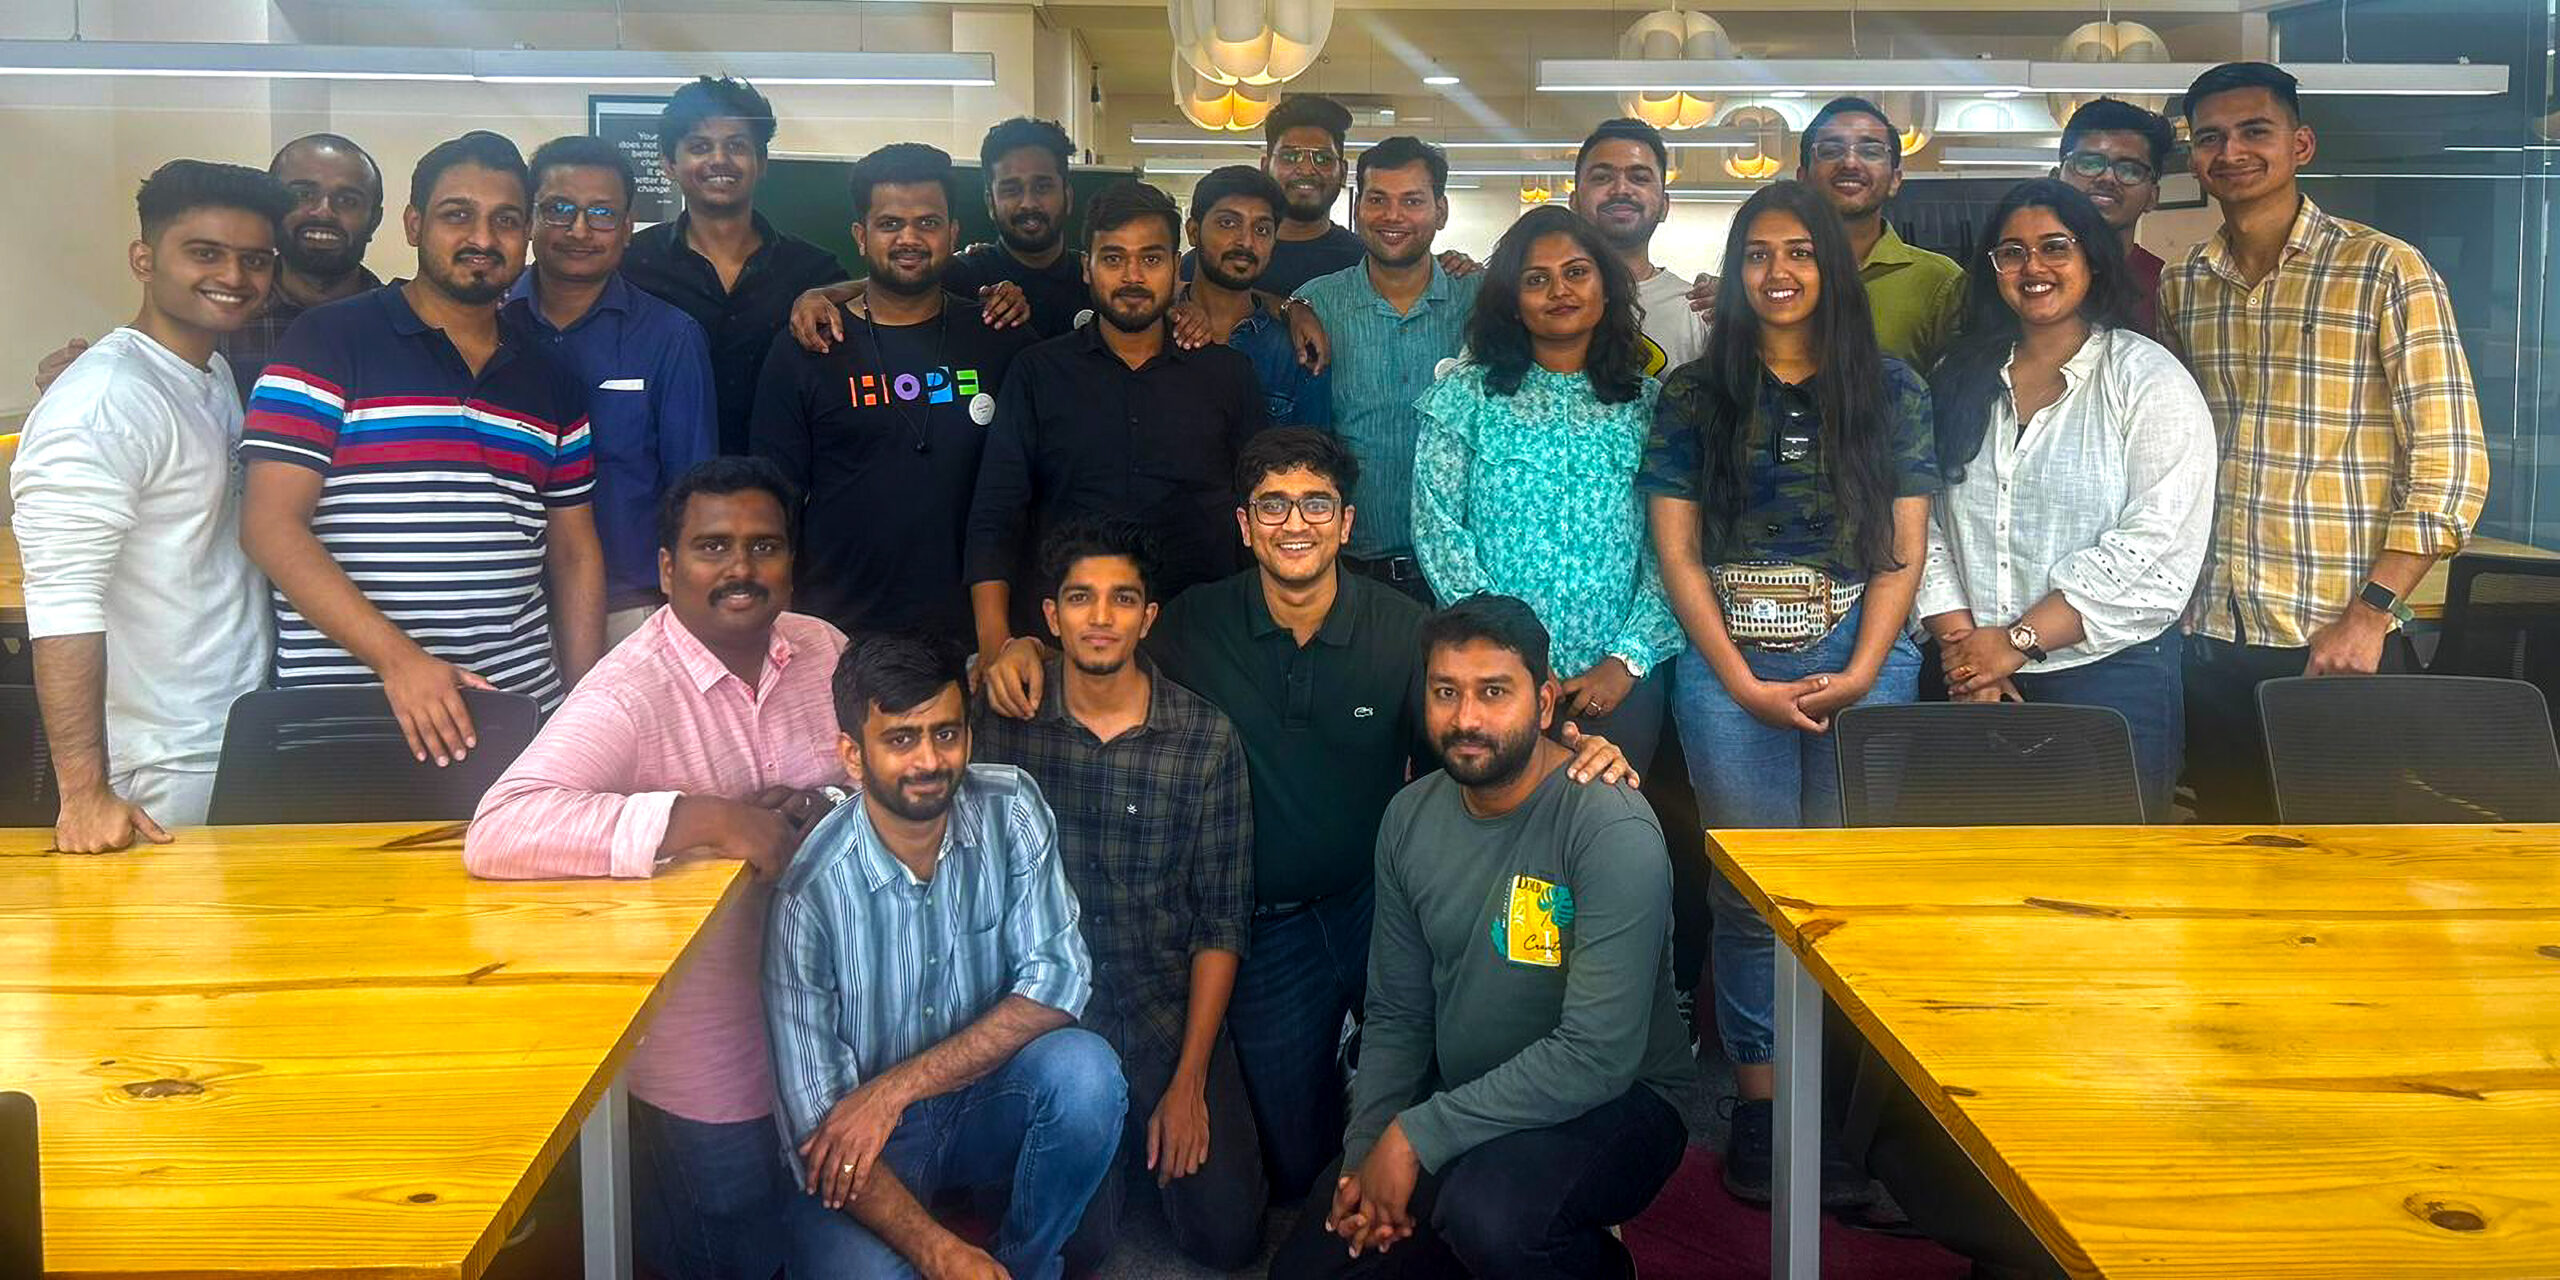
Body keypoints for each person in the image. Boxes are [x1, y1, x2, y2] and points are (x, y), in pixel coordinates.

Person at [1149, 428, 1642, 1206]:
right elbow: (1101, 680)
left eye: (1316, 503)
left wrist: (1579, 750)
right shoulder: (1191, 626)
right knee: (1296, 1169)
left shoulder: (1403, 629)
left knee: (1459, 1087)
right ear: (1244, 525)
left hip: (1385, 901)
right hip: (1266, 926)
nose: (1295, 523)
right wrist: (1020, 659)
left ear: (1347, 522)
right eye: (1272, 505)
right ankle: (1351, 1090)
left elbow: (1475, 743)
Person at [466, 458, 844, 1280]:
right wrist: (702, 817)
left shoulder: (824, 650)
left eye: (764, 546)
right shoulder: (630, 690)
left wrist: (825, 803)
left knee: (820, 1224)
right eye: (713, 547)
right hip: (711, 1045)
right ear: (668, 569)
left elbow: (872, 772)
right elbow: (500, 826)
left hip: (831, 1024)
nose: (741, 568)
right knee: (734, 1241)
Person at [1641, 180, 1938, 1200]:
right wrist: (1735, 681)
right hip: (1729, 660)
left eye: (1800, 251)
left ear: (1831, 266)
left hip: (1865, 648)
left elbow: (1904, 547)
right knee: (1751, 894)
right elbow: (1677, 553)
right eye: (1759, 253)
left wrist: (1863, 670)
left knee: (1848, 894)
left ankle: (1849, 1110)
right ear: (1737, 271)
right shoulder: (1695, 393)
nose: (1779, 271)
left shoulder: (1890, 387)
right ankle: (1764, 1107)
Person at [1270, 593, 1696, 1278]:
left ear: (1545, 701)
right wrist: (1367, 1150)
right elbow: (1399, 1014)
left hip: (1619, 1103)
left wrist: (1416, 1137)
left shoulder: (1609, 825)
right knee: (1315, 1267)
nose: (1466, 718)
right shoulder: (1408, 817)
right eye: (1446, 692)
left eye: (1494, 692)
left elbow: (1598, 1055)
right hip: (1468, 1097)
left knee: (1490, 1219)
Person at [2160, 61, 2488, 823]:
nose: (2231, 151)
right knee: (2230, 847)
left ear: (2300, 144)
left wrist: (2370, 615)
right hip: (2209, 635)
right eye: (2210, 138)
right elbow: (2176, 455)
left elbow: (2450, 462)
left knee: (2349, 860)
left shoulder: (2385, 270)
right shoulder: (2184, 283)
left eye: (2254, 131)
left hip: (2337, 640)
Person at [765, 631, 1124, 1280]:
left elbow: (1060, 983)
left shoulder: (1011, 807)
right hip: (868, 1151)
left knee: (1087, 1076)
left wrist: (894, 1089)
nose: (929, 760)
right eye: (901, 739)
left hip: (979, 1099)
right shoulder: (808, 896)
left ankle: (1024, 1267)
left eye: (946, 733)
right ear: (853, 755)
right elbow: (821, 1130)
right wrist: (943, 1253)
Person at [240, 130, 606, 765]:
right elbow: (269, 527)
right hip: (351, 710)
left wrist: (586, 707)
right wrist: (401, 662)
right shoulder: (326, 341)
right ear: (414, 225)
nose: (483, 238)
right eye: (457, 214)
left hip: (517, 710)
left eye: (506, 220)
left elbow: (574, 554)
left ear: (526, 235)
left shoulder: (550, 376)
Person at [972, 520, 1266, 1272]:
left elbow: (1221, 921)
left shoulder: (1204, 739)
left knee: (1228, 1237)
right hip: (1057, 1022)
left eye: (1122, 599)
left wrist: (1190, 1081)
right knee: (1082, 1248)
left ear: (1148, 616)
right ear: (1050, 616)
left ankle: (1158, 1124)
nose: (1100, 617)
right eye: (1080, 598)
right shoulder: (1005, 725)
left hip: (1167, 1009)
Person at [11, 160, 287, 851]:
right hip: (160, 762)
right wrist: (83, 793)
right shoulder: (102, 402)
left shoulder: (208, 371)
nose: (234, 276)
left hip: (227, 730)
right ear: (144, 259)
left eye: (254, 259)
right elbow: (62, 602)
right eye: (205, 253)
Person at [1918, 179, 2215, 820]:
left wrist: (2017, 641)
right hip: (1966, 674)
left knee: (2104, 873)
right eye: (2012, 252)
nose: (2034, 268)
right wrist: (1969, 653)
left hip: (2109, 678)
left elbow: (2156, 544)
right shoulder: (1956, 377)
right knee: (1966, 865)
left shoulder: (2148, 378)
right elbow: (1922, 521)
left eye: (2055, 247)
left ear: (2092, 260)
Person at [966, 180, 1269, 720]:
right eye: (1113, 258)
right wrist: (995, 645)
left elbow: (1260, 510)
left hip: (1206, 651)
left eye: (1150, 258)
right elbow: (996, 512)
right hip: (1066, 649)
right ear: (1087, 268)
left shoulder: (1228, 375)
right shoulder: (1038, 372)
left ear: (1176, 267)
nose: (1132, 276)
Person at [1412, 204, 1682, 774]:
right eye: (1536, 279)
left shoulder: (1650, 406)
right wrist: (1504, 656)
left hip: (1613, 685)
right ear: (1512, 300)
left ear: (1606, 288)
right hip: (1487, 678)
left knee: (1605, 821)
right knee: (1489, 822)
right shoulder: (1467, 397)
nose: (1559, 290)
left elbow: (1671, 550)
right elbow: (1437, 529)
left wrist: (1628, 660)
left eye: (1576, 272)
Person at [750, 142, 1036, 646]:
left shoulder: (1001, 337)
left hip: (979, 635)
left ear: (953, 234)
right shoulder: (809, 347)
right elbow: (773, 502)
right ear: (861, 236)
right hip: (839, 633)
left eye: (928, 223)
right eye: (889, 224)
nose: (909, 238)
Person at [510, 135, 717, 645]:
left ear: (627, 229)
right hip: (501, 607)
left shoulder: (670, 337)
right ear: (531, 218)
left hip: (628, 606)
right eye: (559, 209)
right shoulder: (486, 322)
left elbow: (692, 489)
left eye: (602, 214)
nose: (579, 230)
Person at [35, 133, 386, 401]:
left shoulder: (401, 325)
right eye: (302, 194)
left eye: (348, 200)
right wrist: (85, 384)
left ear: (374, 220)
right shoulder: (216, 311)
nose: (324, 211)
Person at [1294, 137, 1482, 604]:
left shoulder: (1480, 300)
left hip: (1468, 570)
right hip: (1352, 573)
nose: (1392, 216)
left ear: (1440, 211)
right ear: (1358, 209)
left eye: (1412, 201)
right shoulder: (1318, 302)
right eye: (1377, 199)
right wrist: (1289, 305)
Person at [623, 76, 849, 455]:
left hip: (781, 479)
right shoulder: (631, 265)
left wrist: (827, 292)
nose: (719, 160)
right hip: (663, 478)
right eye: (700, 147)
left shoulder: (811, 271)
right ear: (668, 164)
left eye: (737, 146)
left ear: (762, 163)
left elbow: (885, 294)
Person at [1798, 96, 1965, 371]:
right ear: (1803, 179)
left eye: (1871, 151)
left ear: (1895, 180)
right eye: (1830, 150)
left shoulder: (1941, 282)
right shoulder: (1775, 275)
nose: (1850, 162)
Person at [1183, 165, 1331, 427]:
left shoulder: (1295, 352)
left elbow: (1313, 449)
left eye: (1262, 229)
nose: (1246, 242)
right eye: (1228, 223)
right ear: (1193, 232)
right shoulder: (1153, 330)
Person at [1570, 116, 1709, 374]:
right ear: (1574, 202)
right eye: (1602, 178)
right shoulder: (1543, 302)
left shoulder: (1698, 310)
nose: (1621, 189)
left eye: (1640, 178)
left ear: (1664, 206)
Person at [2054, 98, 2179, 335]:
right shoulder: (2025, 274)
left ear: (2153, 197)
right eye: (2089, 164)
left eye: (2130, 170)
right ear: (2055, 179)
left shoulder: (2168, 288)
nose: (2107, 178)